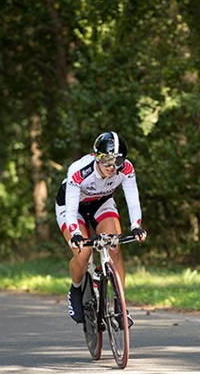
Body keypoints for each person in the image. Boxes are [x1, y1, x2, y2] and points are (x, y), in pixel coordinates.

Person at [55, 131, 147, 324]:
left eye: (118, 161)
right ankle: (76, 288)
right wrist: (76, 233)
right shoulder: (79, 170)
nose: (113, 167)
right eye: (107, 161)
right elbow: (71, 211)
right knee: (83, 251)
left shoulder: (126, 169)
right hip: (72, 206)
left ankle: (120, 305)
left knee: (115, 246)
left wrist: (136, 226)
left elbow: (133, 199)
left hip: (101, 203)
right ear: (97, 157)